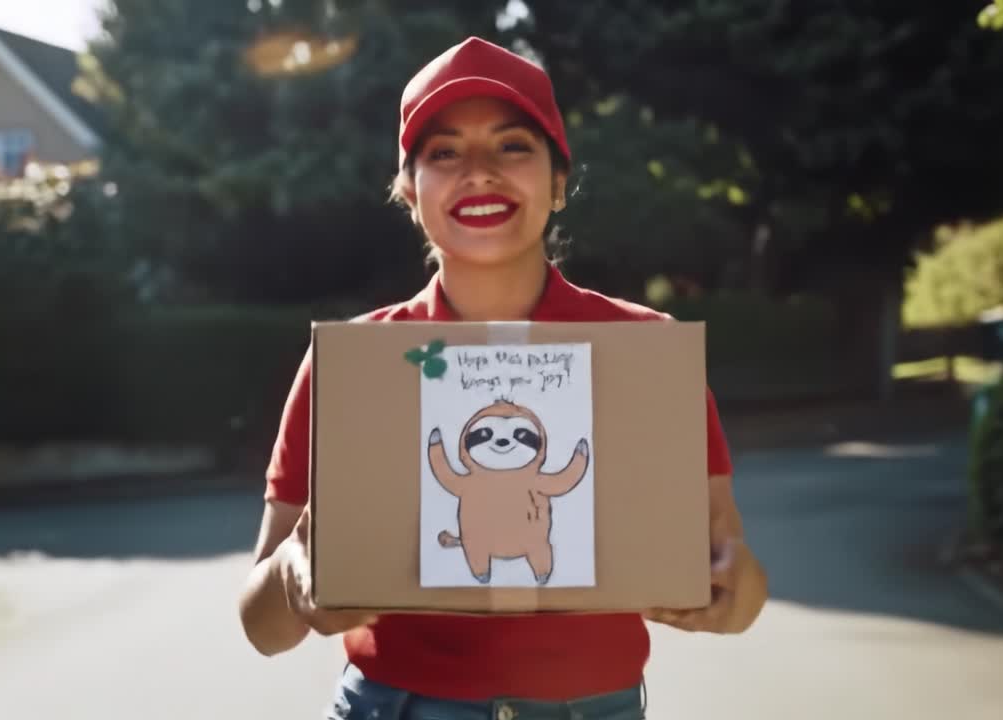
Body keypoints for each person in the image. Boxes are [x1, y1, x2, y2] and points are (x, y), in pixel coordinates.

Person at [238, 36, 768, 720]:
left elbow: (733, 570)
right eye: (444, 152)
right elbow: (260, 626)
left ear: (557, 180)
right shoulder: (353, 367)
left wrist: (733, 597)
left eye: (512, 146)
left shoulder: (644, 353)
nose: (479, 172)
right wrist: (294, 580)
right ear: (408, 189)